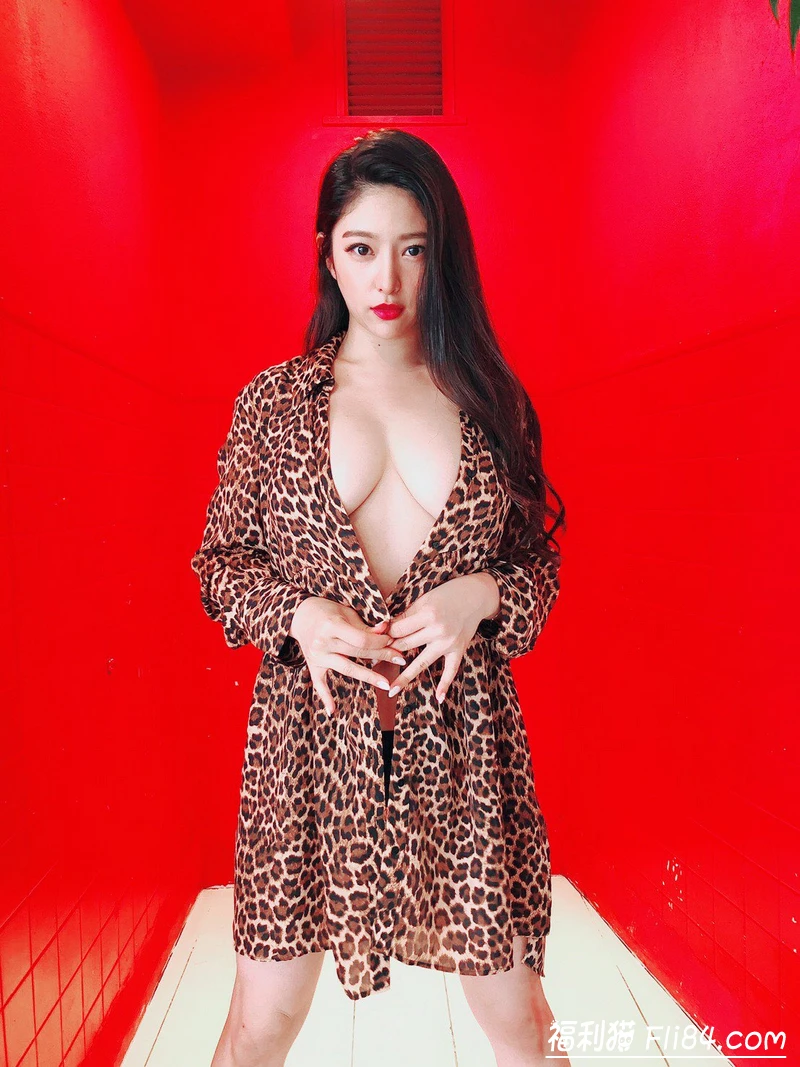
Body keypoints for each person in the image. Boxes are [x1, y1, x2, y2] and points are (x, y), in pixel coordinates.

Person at [192, 128, 567, 1067]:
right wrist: (298, 614)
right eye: (362, 248)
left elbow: (538, 571)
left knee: (522, 1022)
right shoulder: (273, 404)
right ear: (328, 254)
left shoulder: (490, 400)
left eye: (414, 249)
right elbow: (220, 563)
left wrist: (482, 592)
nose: (387, 279)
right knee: (261, 1023)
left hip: (465, 749)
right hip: (307, 751)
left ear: (443, 256)